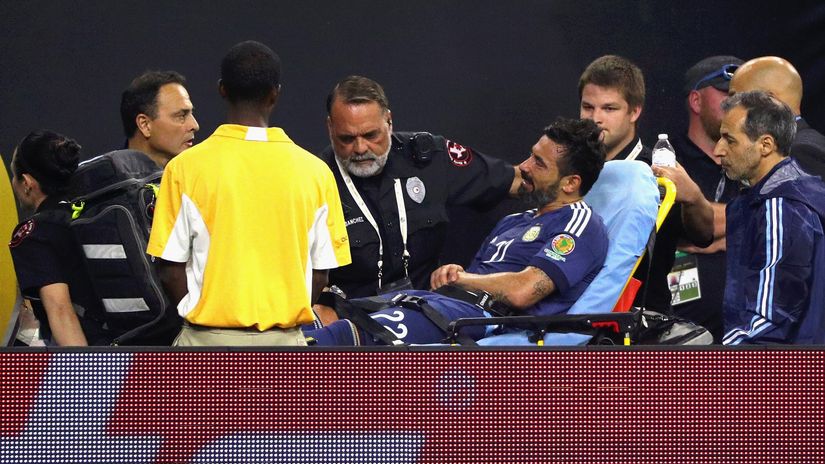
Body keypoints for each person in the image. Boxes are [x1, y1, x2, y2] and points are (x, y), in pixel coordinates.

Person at [306, 118, 608, 345]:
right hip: (437, 302)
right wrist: (458, 273)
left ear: (570, 183)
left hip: (475, 319)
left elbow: (523, 290)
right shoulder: (514, 222)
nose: (524, 166)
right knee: (318, 316)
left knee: (344, 339)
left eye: (539, 163)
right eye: (530, 155)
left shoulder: (580, 225)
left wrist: (464, 278)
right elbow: (482, 278)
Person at [147, 41, 351, 346]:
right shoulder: (317, 172)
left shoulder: (184, 169)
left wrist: (207, 315)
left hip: (205, 345)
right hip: (285, 348)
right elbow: (320, 275)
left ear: (222, 90)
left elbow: (170, 269)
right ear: (275, 93)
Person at [316, 75, 521, 306]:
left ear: (389, 121)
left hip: (427, 312)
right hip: (354, 320)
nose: (361, 148)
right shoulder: (313, 180)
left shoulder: (428, 158)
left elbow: (516, 181)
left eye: (371, 135)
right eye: (347, 138)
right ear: (330, 128)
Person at [663, 91, 825, 344]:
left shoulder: (781, 207)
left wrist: (726, 367)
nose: (718, 150)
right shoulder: (762, 200)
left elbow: (771, 318)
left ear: (765, 145)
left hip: (782, 371)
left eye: (729, 140)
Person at [578, 55, 713, 313]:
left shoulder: (658, 169)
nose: (595, 118)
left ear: (635, 111)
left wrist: (694, 197)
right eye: (587, 107)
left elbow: (703, 236)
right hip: (573, 320)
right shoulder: (568, 168)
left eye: (609, 108)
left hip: (643, 322)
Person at [666, 55, 743, 342]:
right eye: (727, 95)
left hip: (748, 333)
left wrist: (714, 227)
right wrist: (746, 224)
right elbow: (675, 228)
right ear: (696, 101)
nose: (737, 104)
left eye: (742, 97)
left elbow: (774, 226)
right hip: (680, 335)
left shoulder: (754, 161)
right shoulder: (667, 158)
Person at [8, 130, 110, 346]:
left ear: (27, 182)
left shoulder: (36, 233)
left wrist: (86, 375)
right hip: (142, 346)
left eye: (14, 175)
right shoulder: (94, 210)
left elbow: (61, 311)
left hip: (96, 355)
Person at [729, 56, 825, 179]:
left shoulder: (799, 152)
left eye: (735, 98)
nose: (728, 107)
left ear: (769, 101)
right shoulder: (795, 145)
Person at [120, 70, 200, 167]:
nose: (195, 125)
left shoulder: (197, 177)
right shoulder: (105, 180)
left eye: (191, 114)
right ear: (145, 125)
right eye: (181, 116)